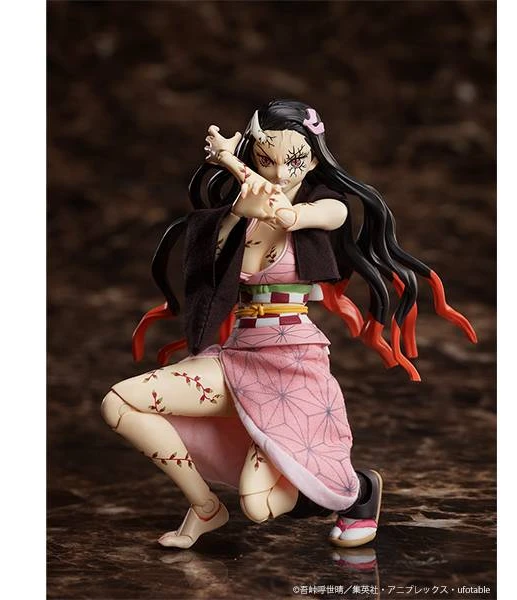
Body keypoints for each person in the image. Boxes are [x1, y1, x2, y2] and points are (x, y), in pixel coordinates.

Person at [101, 99, 476, 550]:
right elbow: (209, 267)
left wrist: (263, 190)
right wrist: (237, 207)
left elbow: (306, 214)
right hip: (238, 356)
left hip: (291, 362)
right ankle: (205, 507)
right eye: (266, 159)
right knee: (120, 404)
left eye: (294, 160)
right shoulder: (236, 214)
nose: (280, 172)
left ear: (314, 159)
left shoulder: (326, 207)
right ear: (254, 156)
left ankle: (357, 489)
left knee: (258, 507)